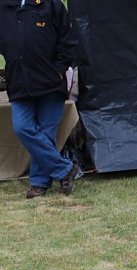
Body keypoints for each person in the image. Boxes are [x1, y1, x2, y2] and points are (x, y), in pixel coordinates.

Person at [0, 0, 80, 199]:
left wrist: (59, 69)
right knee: (22, 127)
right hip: (19, 81)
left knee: (46, 133)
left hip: (51, 83)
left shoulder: (52, 5)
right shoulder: (3, 6)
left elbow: (69, 41)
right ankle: (64, 170)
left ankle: (38, 184)